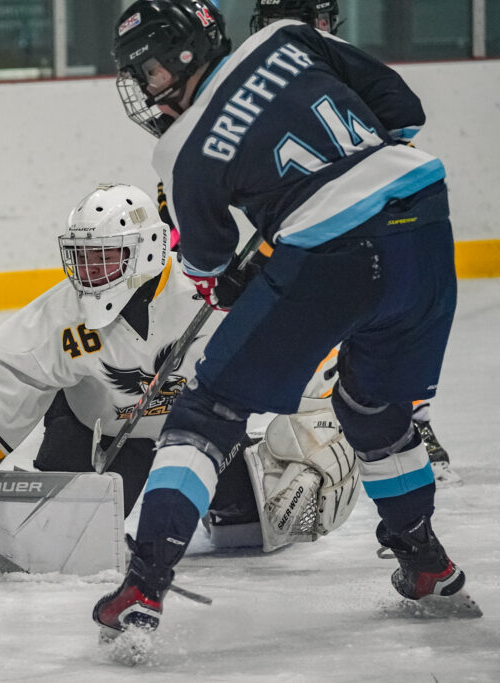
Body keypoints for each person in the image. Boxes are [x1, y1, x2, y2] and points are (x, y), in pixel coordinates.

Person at [95, 0, 480, 639]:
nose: (146, 88)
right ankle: (429, 568)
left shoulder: (182, 150)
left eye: (152, 71)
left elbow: (212, 265)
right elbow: (402, 113)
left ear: (188, 50)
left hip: (331, 257)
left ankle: (142, 586)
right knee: (372, 411)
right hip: (425, 227)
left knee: (208, 413)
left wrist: (256, 266)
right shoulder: (289, 38)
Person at [0, 183, 359, 573]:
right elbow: (4, 373)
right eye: (83, 258)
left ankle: (245, 482)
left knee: (255, 527)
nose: (89, 272)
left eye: (105, 257)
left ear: (149, 251)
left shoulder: (209, 297)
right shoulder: (62, 314)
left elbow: (310, 360)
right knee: (56, 546)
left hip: (202, 440)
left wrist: (321, 437)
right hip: (98, 437)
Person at [249, 0, 461, 488]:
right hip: (304, 224)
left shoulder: (338, 67)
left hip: (364, 221)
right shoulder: (258, 85)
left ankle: (409, 422)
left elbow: (403, 127)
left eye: (307, 20)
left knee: (385, 322)